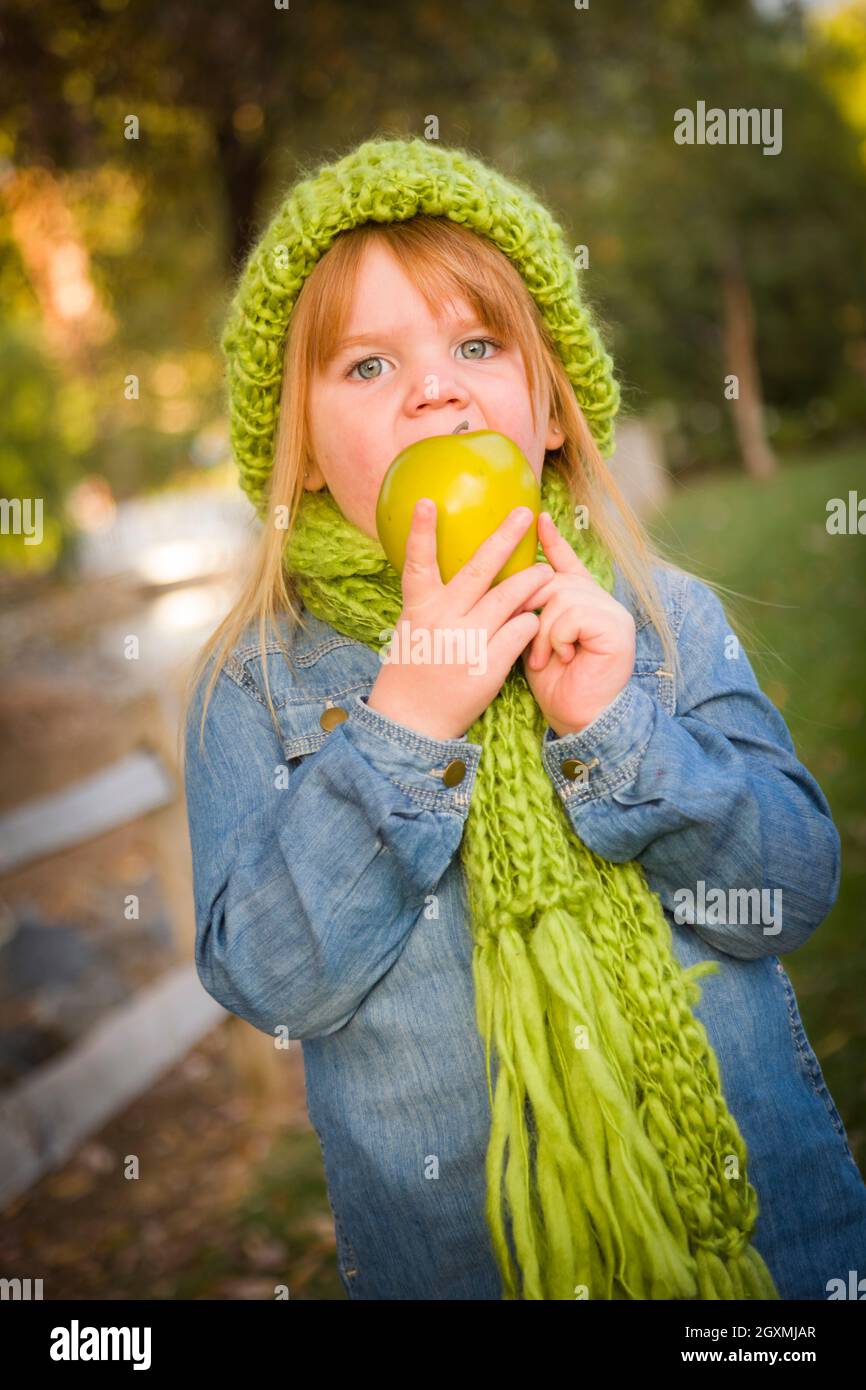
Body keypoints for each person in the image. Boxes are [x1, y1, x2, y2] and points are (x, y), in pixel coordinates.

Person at [182, 135, 866, 1300]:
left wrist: (616, 727)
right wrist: (401, 728)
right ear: (296, 455)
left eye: (476, 343)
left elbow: (789, 890)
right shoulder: (250, 685)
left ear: (548, 408)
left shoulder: (655, 617)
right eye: (365, 366)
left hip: (773, 1253)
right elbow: (272, 982)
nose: (433, 386)